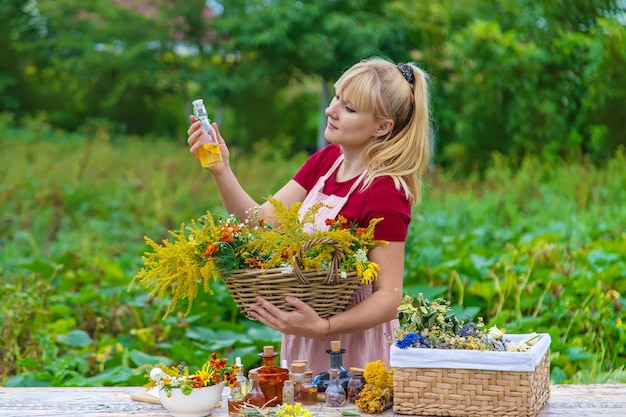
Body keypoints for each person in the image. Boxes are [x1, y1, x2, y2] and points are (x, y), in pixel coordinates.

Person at [186, 57, 432, 374]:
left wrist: (325, 327)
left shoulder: (385, 190)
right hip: (305, 330)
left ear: (383, 127)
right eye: (337, 98)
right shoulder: (326, 161)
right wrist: (221, 170)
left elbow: (389, 297)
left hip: (351, 342)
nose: (331, 110)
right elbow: (260, 224)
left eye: (350, 108)